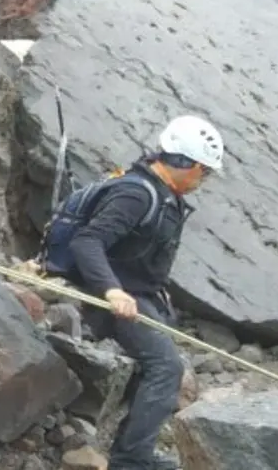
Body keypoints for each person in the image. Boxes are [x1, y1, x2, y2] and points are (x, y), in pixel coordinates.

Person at [65, 115, 225, 470]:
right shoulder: (137, 193)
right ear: (189, 165)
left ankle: (131, 448)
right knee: (166, 367)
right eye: (205, 172)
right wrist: (112, 292)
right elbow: (87, 242)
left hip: (140, 295)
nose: (205, 180)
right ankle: (131, 462)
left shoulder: (163, 193)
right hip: (111, 297)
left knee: (158, 363)